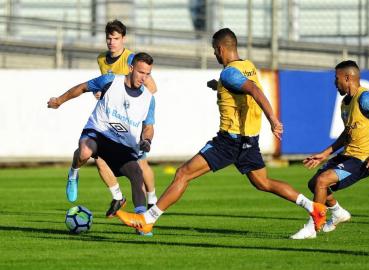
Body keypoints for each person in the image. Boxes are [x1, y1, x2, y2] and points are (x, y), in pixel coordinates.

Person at [116, 28, 327, 235]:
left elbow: (253, 90)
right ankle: (314, 208)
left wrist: (273, 119)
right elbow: (245, 89)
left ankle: (147, 220)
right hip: (248, 140)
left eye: (215, 51)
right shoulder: (247, 67)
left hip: (229, 141)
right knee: (263, 182)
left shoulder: (229, 73)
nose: (215, 55)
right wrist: (218, 85)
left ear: (220, 48)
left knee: (183, 173)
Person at [290, 60, 369, 239]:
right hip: (347, 155)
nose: (335, 82)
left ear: (348, 78)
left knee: (322, 181)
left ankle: (312, 227)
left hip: (363, 160)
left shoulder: (367, 98)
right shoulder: (345, 103)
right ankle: (338, 212)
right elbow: (347, 134)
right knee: (314, 183)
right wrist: (325, 153)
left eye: (337, 78)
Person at [48, 52, 156, 226]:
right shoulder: (110, 81)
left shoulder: (149, 99)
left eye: (148, 74)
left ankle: (142, 221)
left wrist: (147, 140)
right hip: (99, 131)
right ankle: (74, 172)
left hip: (123, 144)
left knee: (137, 175)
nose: (144, 78)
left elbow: (149, 127)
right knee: (84, 152)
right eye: (141, 72)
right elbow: (83, 87)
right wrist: (59, 100)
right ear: (131, 68)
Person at [66, 20, 158, 217]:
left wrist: (136, 103)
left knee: (140, 165)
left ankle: (152, 201)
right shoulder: (102, 59)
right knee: (95, 155)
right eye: (109, 38)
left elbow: (151, 88)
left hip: (130, 118)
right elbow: (98, 85)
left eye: (115, 38)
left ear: (123, 39)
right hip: (109, 118)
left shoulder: (131, 58)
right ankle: (117, 196)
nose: (111, 42)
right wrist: (102, 93)